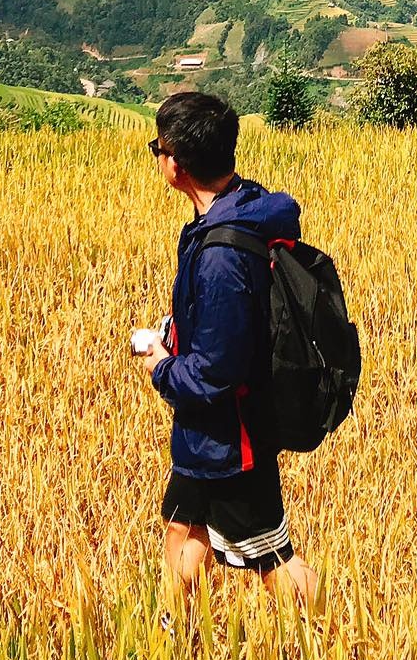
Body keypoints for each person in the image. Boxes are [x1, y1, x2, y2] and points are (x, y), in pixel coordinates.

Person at [135, 90, 320, 608]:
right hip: (204, 435)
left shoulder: (221, 253)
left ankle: (330, 638)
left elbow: (218, 370)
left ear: (176, 162)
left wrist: (161, 366)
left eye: (159, 148)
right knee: (182, 533)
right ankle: (174, 640)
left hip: (231, 439)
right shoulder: (231, 211)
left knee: (274, 562)